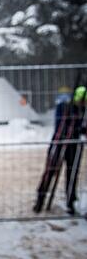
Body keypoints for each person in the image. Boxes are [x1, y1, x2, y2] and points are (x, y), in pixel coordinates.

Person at [33, 85, 86, 215]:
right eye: (82, 101)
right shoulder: (64, 106)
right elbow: (62, 125)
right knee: (50, 171)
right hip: (59, 143)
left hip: (74, 145)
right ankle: (40, 199)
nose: (83, 104)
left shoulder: (83, 110)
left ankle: (71, 202)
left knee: (72, 173)